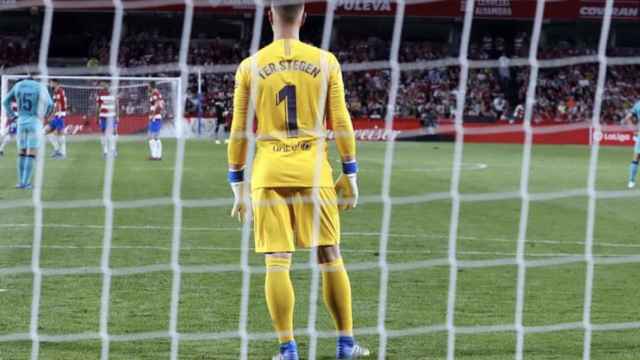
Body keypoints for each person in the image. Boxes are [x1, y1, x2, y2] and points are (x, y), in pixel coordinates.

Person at [226, 2, 368, 359]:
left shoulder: (250, 66)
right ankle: (345, 345)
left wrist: (237, 186)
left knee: (277, 260)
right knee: (330, 254)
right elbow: (342, 121)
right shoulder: (325, 61)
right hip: (313, 171)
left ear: (270, 16)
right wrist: (350, 173)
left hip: (268, 173)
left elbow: (239, 132)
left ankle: (288, 350)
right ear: (304, 17)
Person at [1, 76, 53, 189]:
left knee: (22, 152)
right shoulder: (40, 86)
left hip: (21, 122)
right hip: (35, 122)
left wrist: (12, 116)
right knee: (31, 153)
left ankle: (20, 182)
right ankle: (26, 183)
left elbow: (5, 102)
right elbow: (50, 104)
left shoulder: (18, 85)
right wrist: (44, 116)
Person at [44, 78, 67, 159]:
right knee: (46, 131)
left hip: (59, 115)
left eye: (51, 82)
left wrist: (52, 115)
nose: (50, 84)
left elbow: (59, 106)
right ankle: (57, 149)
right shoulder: (56, 91)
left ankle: (63, 154)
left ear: (55, 83)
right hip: (57, 115)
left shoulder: (60, 91)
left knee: (60, 134)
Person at [96, 81, 118, 158]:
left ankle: (113, 150)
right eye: (101, 85)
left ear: (107, 84)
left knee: (113, 133)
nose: (101, 86)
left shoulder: (113, 93)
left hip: (111, 116)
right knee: (103, 133)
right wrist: (97, 116)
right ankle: (105, 151)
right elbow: (98, 106)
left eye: (103, 84)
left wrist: (117, 116)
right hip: (103, 117)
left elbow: (116, 104)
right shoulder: (100, 94)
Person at [623, 100, 640, 188]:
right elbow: (627, 118)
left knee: (636, 158)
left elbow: (627, 118)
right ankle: (631, 181)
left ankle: (631, 181)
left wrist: (633, 130)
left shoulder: (638, 104)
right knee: (636, 158)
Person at [147, 81, 164, 160]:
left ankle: (154, 155)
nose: (147, 87)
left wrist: (153, 115)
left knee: (151, 136)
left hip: (155, 117)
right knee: (156, 137)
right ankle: (158, 155)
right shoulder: (158, 93)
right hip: (157, 116)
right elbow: (162, 104)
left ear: (151, 86)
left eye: (148, 86)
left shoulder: (155, 94)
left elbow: (157, 104)